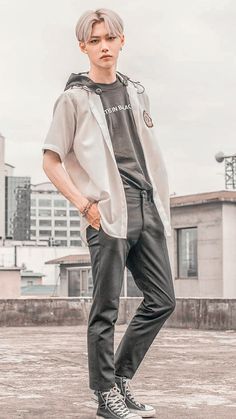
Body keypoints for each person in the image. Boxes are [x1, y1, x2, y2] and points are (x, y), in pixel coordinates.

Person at [42, 8, 176, 419]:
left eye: (110, 38)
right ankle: (105, 396)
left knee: (162, 300)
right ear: (83, 46)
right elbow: (50, 161)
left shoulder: (136, 91)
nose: (104, 46)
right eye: (95, 40)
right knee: (106, 308)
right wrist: (84, 204)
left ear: (122, 42)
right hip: (106, 211)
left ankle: (119, 379)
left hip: (145, 205)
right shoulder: (74, 99)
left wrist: (155, 199)